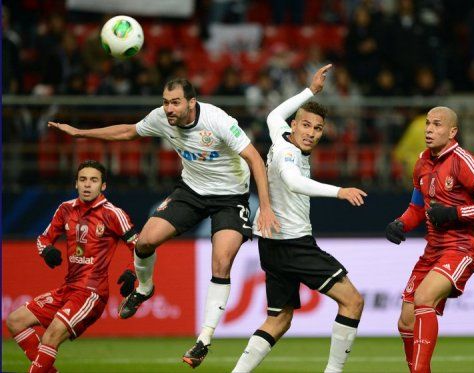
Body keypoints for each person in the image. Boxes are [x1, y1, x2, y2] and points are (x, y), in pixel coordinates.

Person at [48, 78, 279, 368]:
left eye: (175, 102)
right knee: (144, 241)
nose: (168, 108)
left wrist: (266, 208)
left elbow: (255, 159)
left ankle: (204, 339)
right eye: (165, 102)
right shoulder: (162, 118)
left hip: (230, 197)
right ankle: (144, 288)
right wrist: (81, 133)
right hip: (191, 191)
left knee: (221, 260)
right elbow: (129, 131)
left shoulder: (218, 120)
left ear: (191, 103)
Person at [232, 64, 367, 373]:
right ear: (295, 125)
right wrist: (340, 191)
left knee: (279, 319)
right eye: (305, 125)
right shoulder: (288, 154)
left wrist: (311, 91)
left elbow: (272, 116)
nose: (310, 133)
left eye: (317, 129)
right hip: (294, 244)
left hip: (272, 244)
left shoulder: (281, 136)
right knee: (353, 302)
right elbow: (294, 182)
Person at [385, 106, 474, 373]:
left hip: (461, 248)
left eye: (437, 125)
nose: (429, 129)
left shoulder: (464, 161)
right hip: (433, 250)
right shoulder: (421, 163)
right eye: (427, 123)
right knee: (405, 322)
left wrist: (455, 213)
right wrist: (401, 223)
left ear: (452, 132)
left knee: (424, 298)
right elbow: (417, 208)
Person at [5, 160, 138, 373]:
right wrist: (46, 250)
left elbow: (139, 247)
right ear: (76, 183)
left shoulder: (113, 214)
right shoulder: (65, 209)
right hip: (68, 288)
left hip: (91, 292)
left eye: (93, 180)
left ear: (103, 186)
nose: (87, 185)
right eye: (83, 179)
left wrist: (132, 272)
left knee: (51, 336)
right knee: (15, 320)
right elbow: (43, 239)